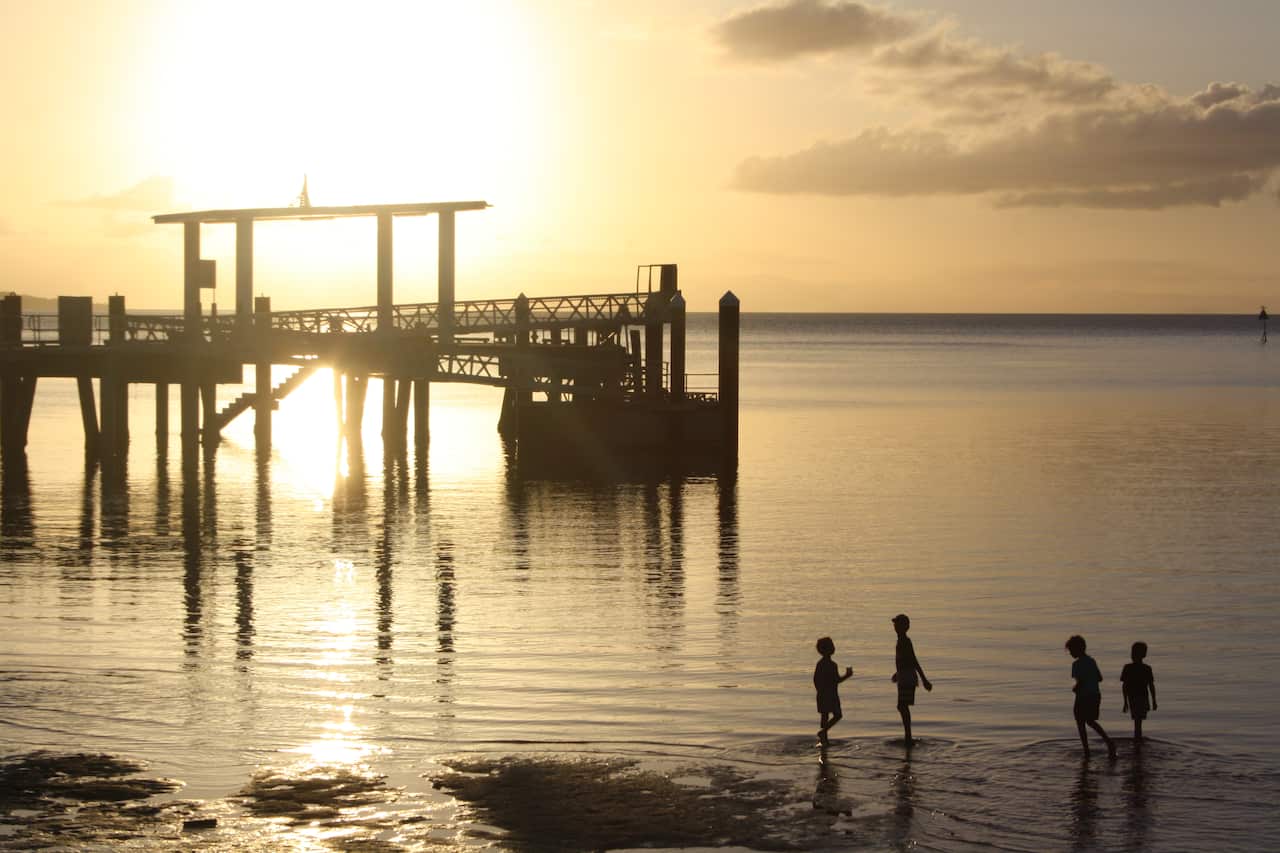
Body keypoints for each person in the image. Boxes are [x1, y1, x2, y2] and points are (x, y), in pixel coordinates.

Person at [1065, 635, 1116, 758]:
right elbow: (1100, 678)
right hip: (1095, 696)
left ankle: (1086, 750)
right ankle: (1108, 742)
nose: (1070, 653)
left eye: (1071, 650)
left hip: (1083, 697)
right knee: (1091, 721)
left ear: (1078, 649)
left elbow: (1080, 682)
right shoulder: (1092, 661)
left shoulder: (1076, 664)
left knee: (1080, 723)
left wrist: (1075, 688)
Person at [890, 614, 932, 744]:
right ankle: (907, 735)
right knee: (902, 706)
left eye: (898, 625)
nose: (895, 627)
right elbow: (904, 661)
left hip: (908, 677)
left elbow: (913, 660)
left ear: (905, 627)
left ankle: (908, 736)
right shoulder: (901, 641)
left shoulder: (905, 641)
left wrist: (924, 680)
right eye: (895, 625)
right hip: (903, 676)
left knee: (902, 706)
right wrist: (897, 673)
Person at [814, 636, 852, 744]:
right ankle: (823, 733)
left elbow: (815, 680)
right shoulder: (832, 665)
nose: (834, 647)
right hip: (831, 695)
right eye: (832, 645)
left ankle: (824, 739)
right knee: (838, 715)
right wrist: (848, 675)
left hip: (822, 694)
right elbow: (837, 680)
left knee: (824, 716)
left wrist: (820, 690)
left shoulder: (820, 664)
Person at [1121, 641, 1157, 742]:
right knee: (1138, 721)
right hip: (1140, 698)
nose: (1132, 655)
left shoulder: (1128, 668)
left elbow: (1125, 686)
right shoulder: (1146, 668)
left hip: (1135, 698)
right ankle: (1138, 740)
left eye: (1134, 652)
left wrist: (1125, 702)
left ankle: (1137, 740)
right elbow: (1151, 686)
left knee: (1137, 722)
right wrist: (1153, 701)